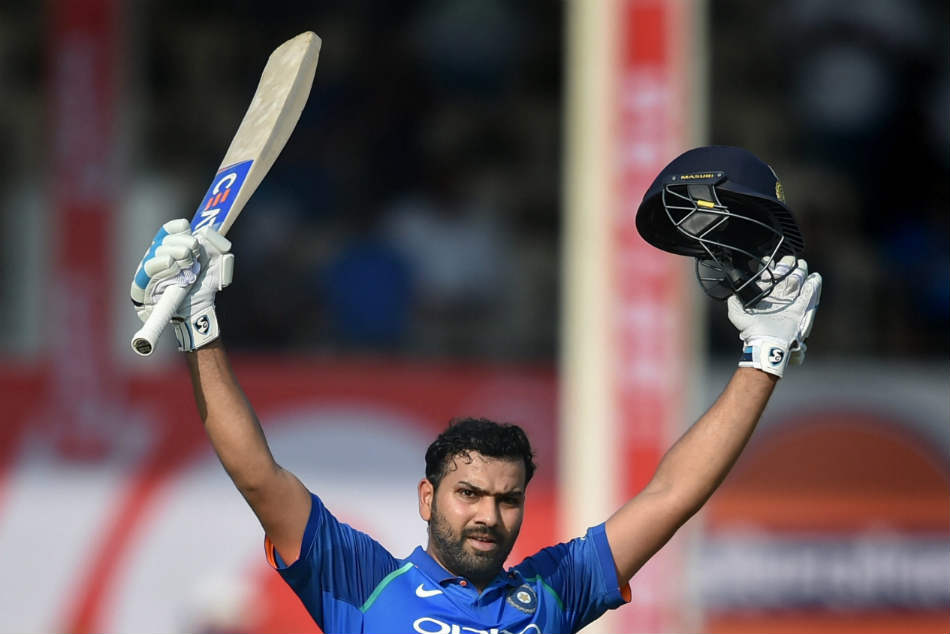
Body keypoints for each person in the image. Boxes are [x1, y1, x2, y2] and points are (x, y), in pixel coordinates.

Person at [130, 212, 821, 632]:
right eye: (469, 494)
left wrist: (763, 358)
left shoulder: (552, 590)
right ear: (427, 498)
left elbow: (671, 496)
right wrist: (200, 329)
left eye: (507, 498)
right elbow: (258, 476)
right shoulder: (362, 582)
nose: (489, 515)